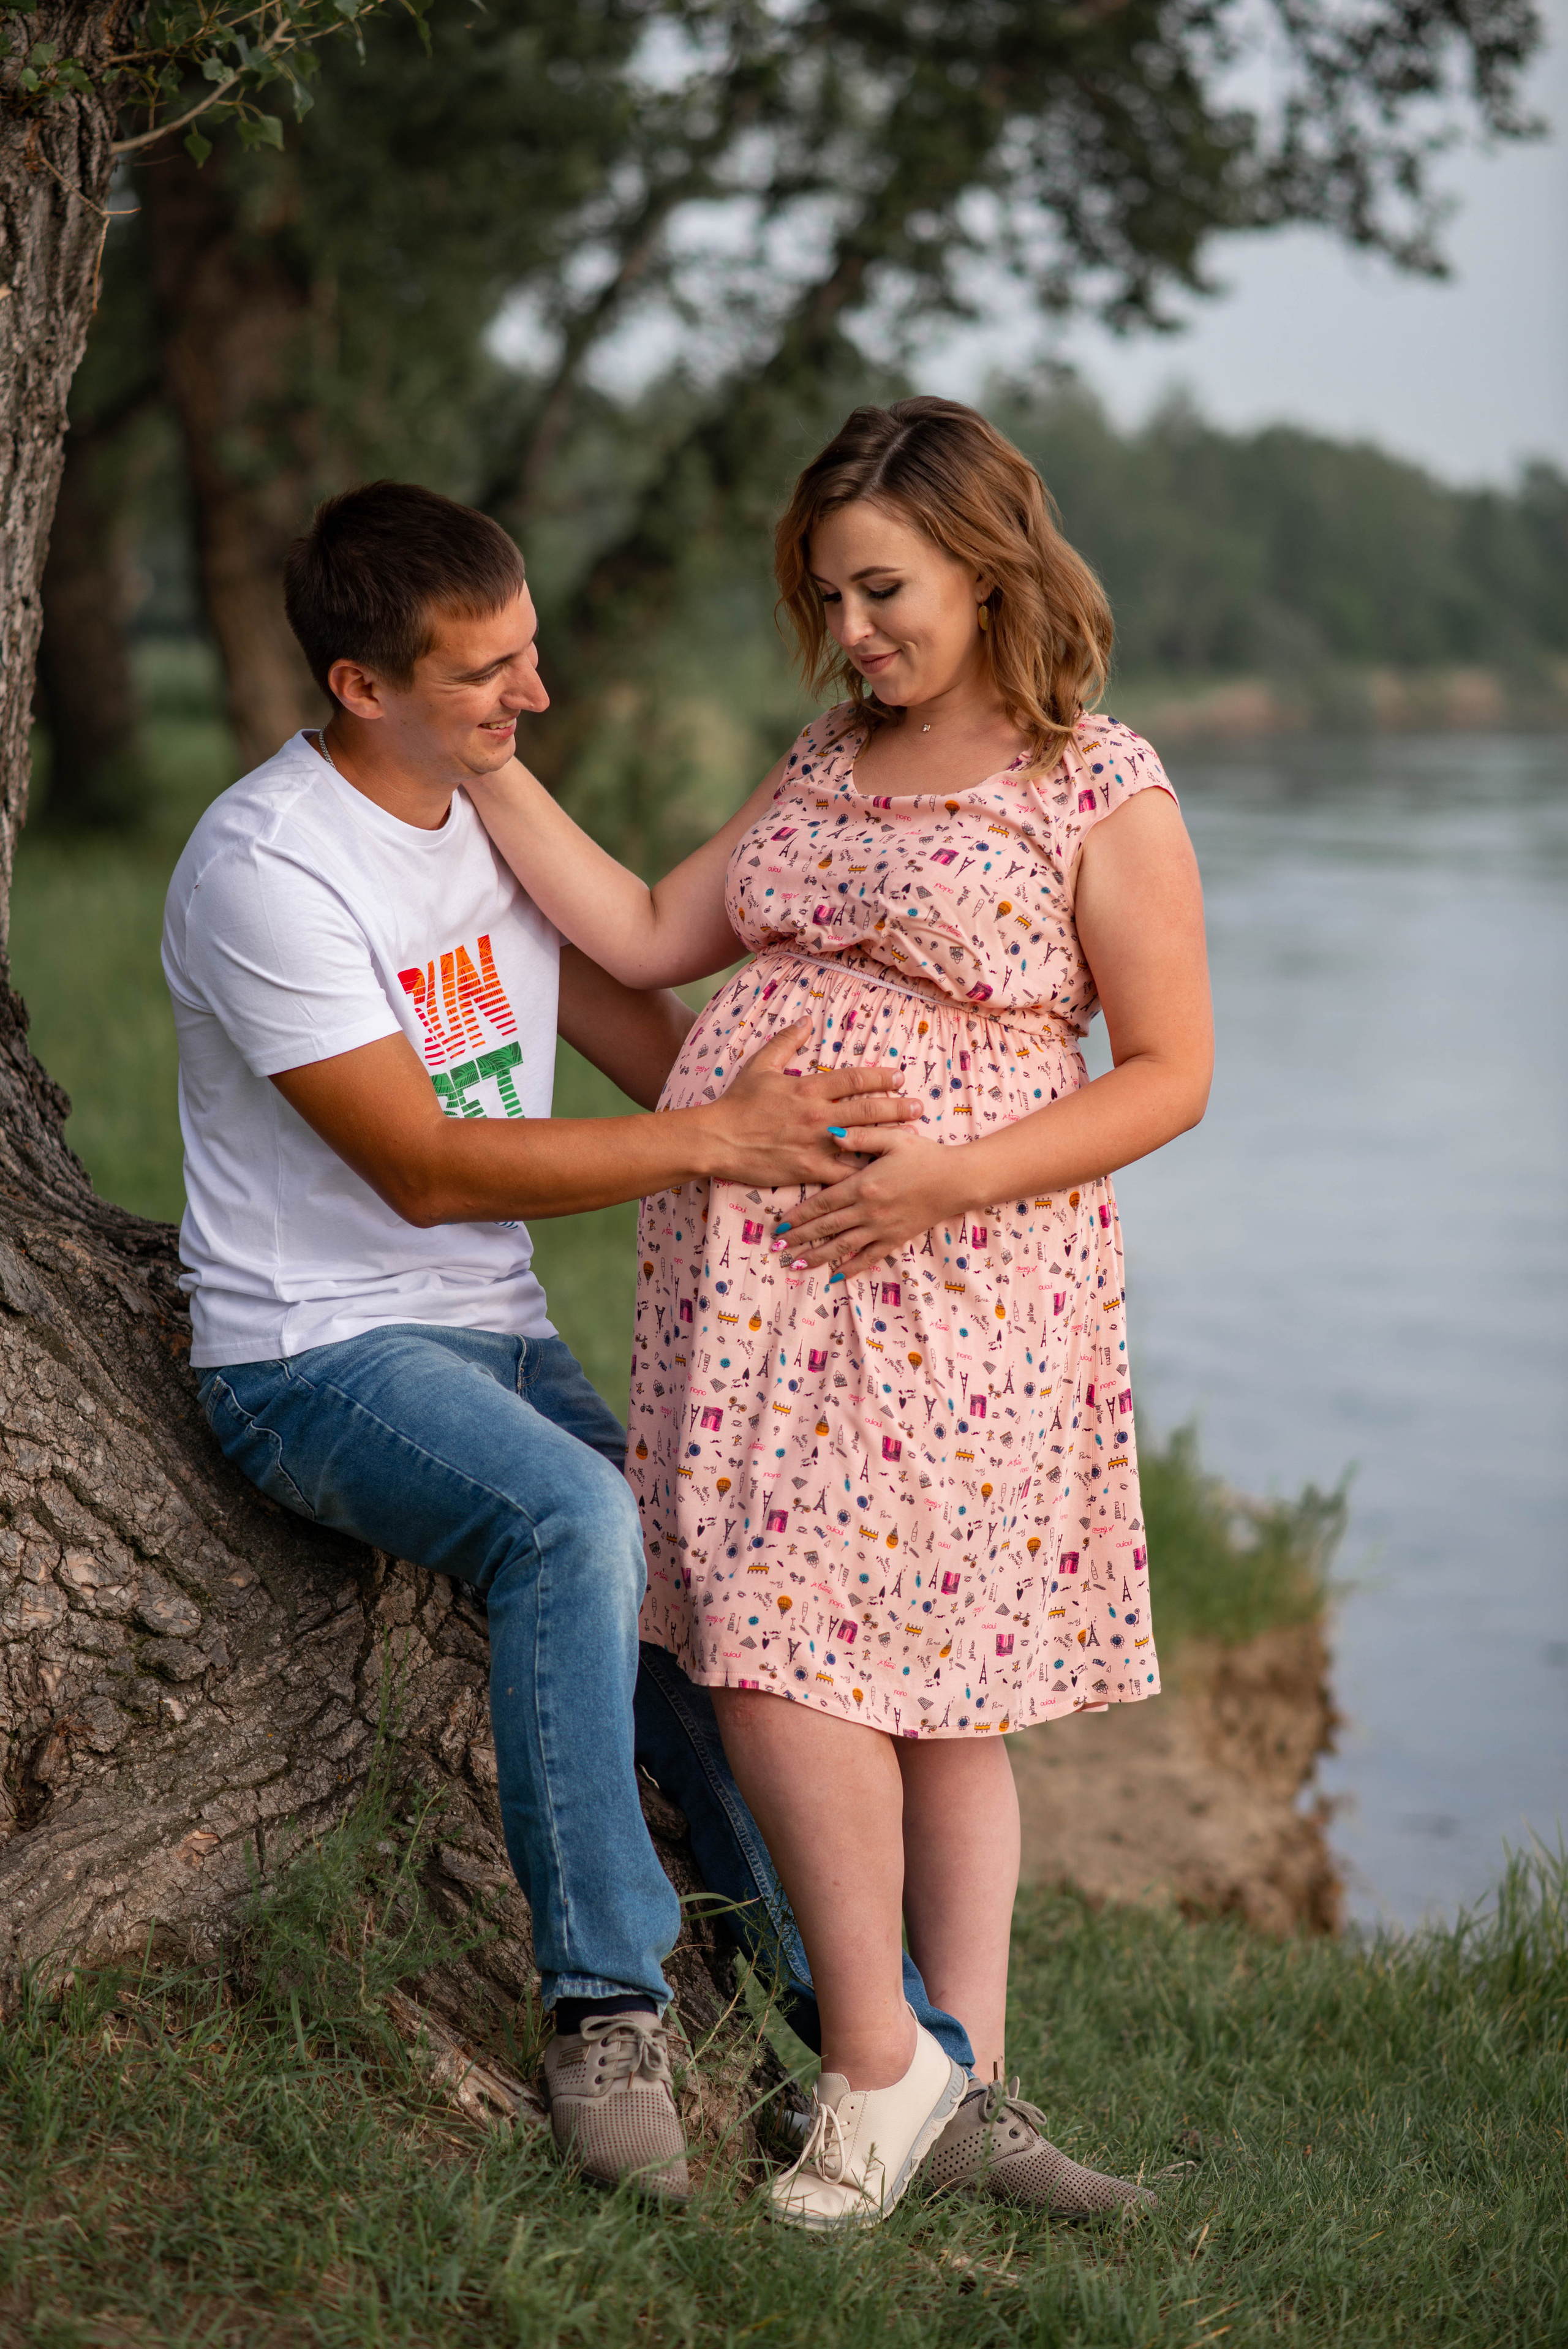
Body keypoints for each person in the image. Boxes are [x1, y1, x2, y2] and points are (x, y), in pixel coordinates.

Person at [160, 478, 960, 2206]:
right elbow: (430, 1166)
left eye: (534, 653)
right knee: (574, 1518)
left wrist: (896, 1151)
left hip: (491, 1335)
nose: (534, 702)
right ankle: (604, 2006)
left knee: (704, 1561)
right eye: (486, 677)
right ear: (364, 686)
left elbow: (671, 1060)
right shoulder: (267, 864)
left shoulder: (479, 823)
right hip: (310, 1354)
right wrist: (714, 1141)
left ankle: (882, 2061)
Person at [466, 397, 1214, 2231]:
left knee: (872, 1670)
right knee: (820, 1651)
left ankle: (893, 2069)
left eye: (883, 589)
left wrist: (942, 1175)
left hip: (953, 1276)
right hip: (764, 1275)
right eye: (831, 596)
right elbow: (647, 934)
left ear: (986, 559)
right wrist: (473, 763)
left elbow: (1173, 1072)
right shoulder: (827, 759)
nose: (856, 629)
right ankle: (926, 2076)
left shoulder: (1092, 783)